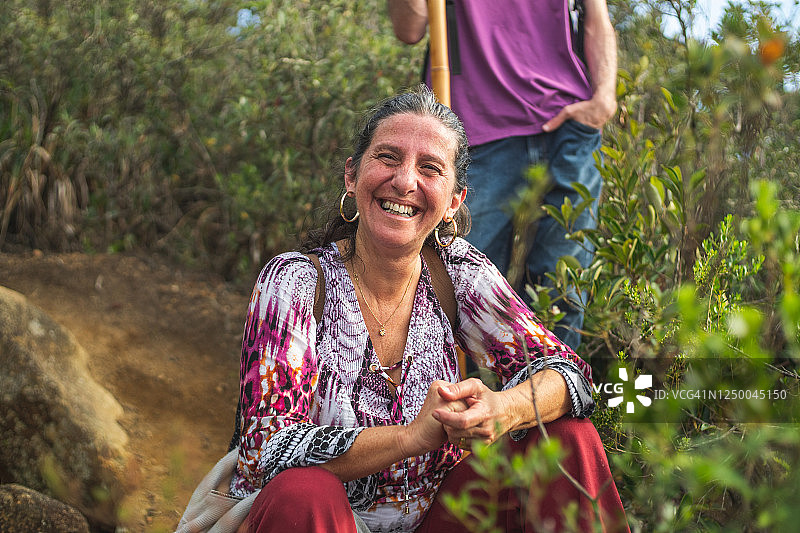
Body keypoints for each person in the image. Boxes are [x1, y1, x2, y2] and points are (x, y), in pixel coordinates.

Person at [228, 86, 628, 532]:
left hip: (438, 520)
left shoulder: (458, 273)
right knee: (302, 492)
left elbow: (570, 375)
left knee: (566, 437)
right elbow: (266, 450)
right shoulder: (295, 282)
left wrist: (503, 407)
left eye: (430, 168)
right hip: (323, 521)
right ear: (351, 175)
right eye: (388, 158)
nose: (404, 181)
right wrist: (409, 438)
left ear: (454, 200)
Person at [388, 0, 618, 351]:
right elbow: (410, 28)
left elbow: (595, 17)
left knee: (562, 294)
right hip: (475, 132)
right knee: (458, 292)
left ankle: (554, 404)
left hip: (569, 128)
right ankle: (462, 402)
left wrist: (604, 99)